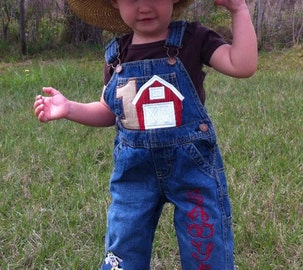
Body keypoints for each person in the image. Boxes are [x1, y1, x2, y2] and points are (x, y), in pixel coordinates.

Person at [33, 0, 257, 269]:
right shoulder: (117, 55)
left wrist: (238, 10)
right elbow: (108, 110)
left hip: (192, 169)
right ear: (115, 3)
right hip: (134, 174)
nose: (145, 6)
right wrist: (70, 108)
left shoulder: (194, 38)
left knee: (205, 243)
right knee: (124, 247)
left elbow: (242, 65)